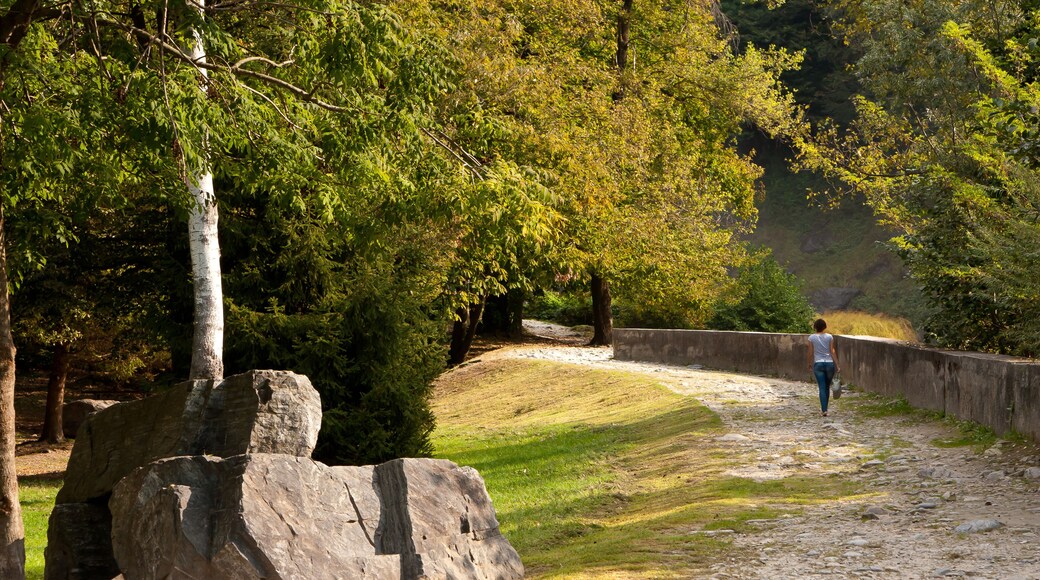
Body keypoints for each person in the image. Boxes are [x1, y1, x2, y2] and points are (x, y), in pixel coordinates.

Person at [807, 318, 839, 417]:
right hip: (829, 363)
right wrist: (837, 364)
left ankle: (824, 410)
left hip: (818, 364)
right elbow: (832, 351)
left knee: (821, 387)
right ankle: (826, 409)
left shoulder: (811, 338)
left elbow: (810, 353)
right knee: (827, 387)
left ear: (815, 327)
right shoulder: (829, 337)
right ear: (824, 327)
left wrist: (809, 363)